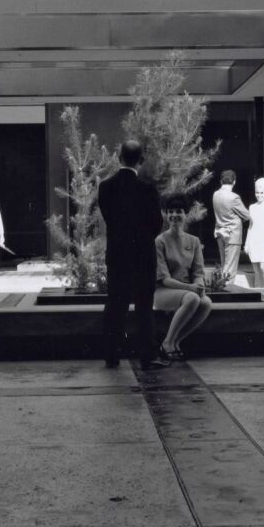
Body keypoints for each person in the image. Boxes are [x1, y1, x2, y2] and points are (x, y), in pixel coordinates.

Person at [98, 139, 165, 369]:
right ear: (142, 160)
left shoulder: (106, 187)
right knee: (144, 306)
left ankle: (111, 355)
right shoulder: (147, 188)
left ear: (119, 158)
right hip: (142, 255)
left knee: (115, 304)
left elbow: (108, 218)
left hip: (117, 255)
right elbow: (157, 224)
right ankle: (147, 356)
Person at [152, 195, 216, 360]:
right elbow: (164, 279)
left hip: (188, 291)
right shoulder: (159, 241)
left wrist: (199, 285)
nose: (174, 215)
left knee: (206, 302)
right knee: (192, 298)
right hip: (163, 292)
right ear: (166, 215)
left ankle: (176, 341)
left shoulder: (193, 241)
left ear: (185, 214)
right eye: (170, 211)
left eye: (179, 211)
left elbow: (198, 272)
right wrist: (190, 288)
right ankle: (167, 343)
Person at [211, 170, 250, 287]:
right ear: (234, 182)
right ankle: (227, 291)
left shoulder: (215, 194)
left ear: (221, 181)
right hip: (232, 234)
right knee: (230, 267)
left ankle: (220, 288)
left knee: (224, 264)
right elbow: (247, 215)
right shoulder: (234, 197)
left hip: (219, 232)